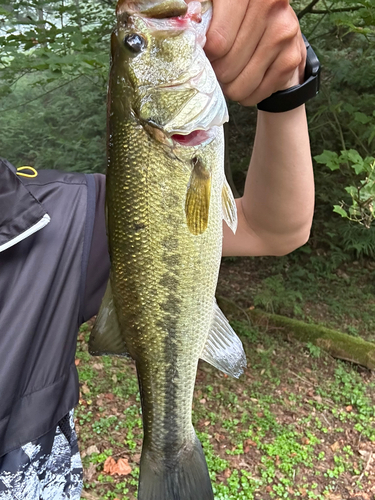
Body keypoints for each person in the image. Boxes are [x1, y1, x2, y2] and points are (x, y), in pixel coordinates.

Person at [0, 0, 315, 497]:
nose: (143, 29)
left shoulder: (54, 217)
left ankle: (170, 449)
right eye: (135, 45)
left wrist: (284, 90)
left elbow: (273, 228)